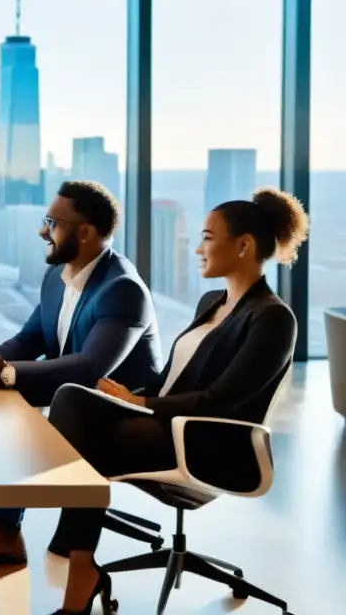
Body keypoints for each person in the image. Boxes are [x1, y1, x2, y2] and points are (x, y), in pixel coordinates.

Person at [43, 187, 308, 614]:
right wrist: (133, 398)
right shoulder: (212, 303)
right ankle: (78, 565)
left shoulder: (273, 318)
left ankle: (76, 568)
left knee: (81, 428)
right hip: (173, 425)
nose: (198, 248)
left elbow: (222, 400)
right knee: (76, 401)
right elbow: (172, 379)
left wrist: (142, 405)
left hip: (213, 444)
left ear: (243, 246)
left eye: (207, 237)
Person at [0, 180, 163, 571]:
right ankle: (4, 530)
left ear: (84, 232)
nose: (41, 231)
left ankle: (2, 530)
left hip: (123, 414)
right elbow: (32, 337)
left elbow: (89, 368)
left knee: (18, 414)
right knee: (2, 400)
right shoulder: (59, 277)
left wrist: (8, 374)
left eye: (52, 222)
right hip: (74, 399)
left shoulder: (122, 289)